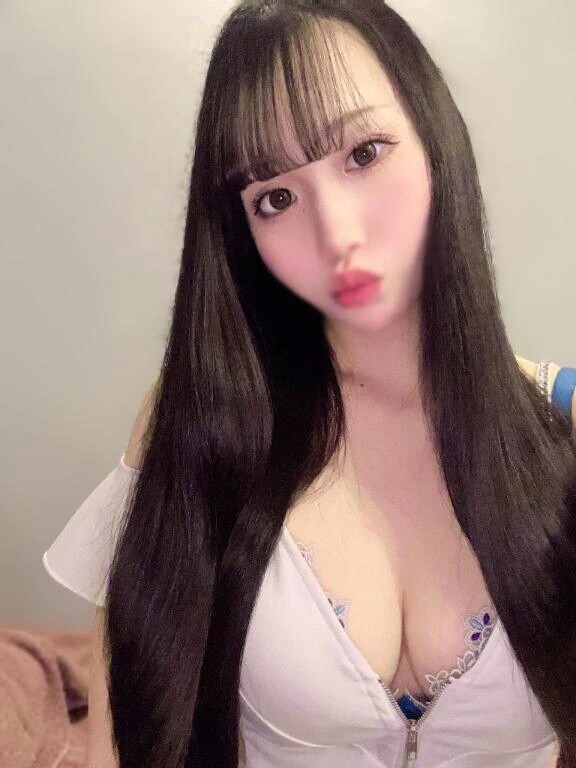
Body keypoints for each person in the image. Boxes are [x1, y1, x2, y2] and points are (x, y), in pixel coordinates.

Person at [42, 2, 576, 767]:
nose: (336, 234)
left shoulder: (564, 427)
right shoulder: (203, 418)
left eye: (364, 153)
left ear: (435, 138)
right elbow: (123, 731)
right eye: (275, 197)